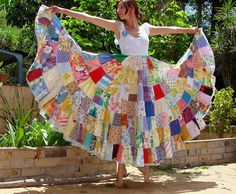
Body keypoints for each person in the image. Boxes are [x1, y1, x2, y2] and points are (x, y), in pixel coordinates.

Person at [27, 0, 215, 188]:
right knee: (123, 123)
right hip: (123, 83)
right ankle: (120, 173)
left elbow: (170, 29)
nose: (118, 12)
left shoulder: (146, 29)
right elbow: (91, 18)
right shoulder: (118, 27)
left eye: (121, 8)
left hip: (146, 82)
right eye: (117, 9)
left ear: (131, 8)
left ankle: (145, 170)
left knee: (144, 123)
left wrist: (191, 30)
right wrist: (62, 10)